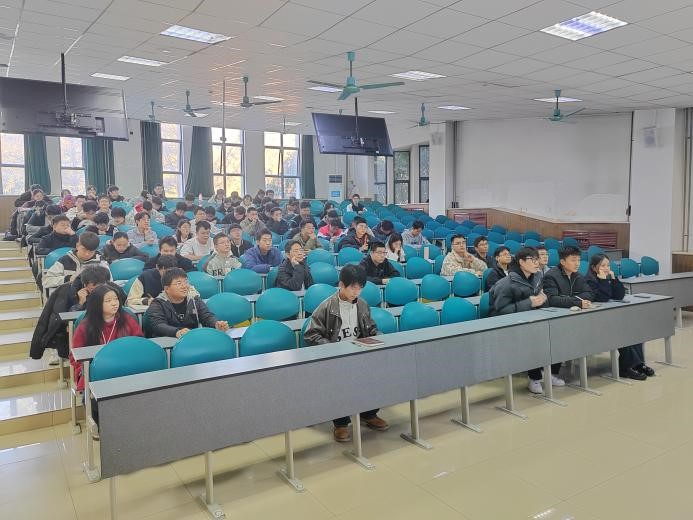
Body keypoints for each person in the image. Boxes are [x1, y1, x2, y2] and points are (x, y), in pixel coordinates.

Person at [304, 264, 387, 442]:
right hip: (336, 356)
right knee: (338, 380)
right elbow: (311, 335)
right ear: (341, 285)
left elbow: (371, 328)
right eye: (353, 288)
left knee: (374, 373)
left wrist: (378, 338)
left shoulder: (362, 305)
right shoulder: (326, 307)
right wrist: (333, 349)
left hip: (359, 352)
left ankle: (368, 413)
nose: (356, 292)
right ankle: (340, 423)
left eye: (360, 288)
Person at [488, 247, 548, 394]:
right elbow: (500, 311)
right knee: (534, 337)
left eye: (537, 259)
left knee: (553, 330)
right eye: (532, 260)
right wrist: (529, 303)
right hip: (506, 324)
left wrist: (543, 298)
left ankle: (550, 372)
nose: (537, 263)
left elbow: (538, 297)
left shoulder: (536, 277)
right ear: (521, 262)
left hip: (528, 319)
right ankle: (535, 378)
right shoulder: (506, 283)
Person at [585, 253, 654, 380]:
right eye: (603, 266)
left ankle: (638, 364)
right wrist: (603, 280)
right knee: (622, 332)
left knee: (634, 330)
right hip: (597, 320)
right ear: (594, 267)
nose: (606, 268)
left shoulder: (607, 277)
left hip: (611, 317)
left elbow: (619, 295)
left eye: (608, 265)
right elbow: (602, 298)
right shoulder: (589, 281)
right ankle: (626, 368)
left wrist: (613, 278)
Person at [538, 245, 594, 391]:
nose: (577, 263)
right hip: (554, 317)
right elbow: (553, 299)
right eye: (573, 260)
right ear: (563, 261)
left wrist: (571, 300)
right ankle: (550, 372)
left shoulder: (577, 275)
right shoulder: (551, 275)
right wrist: (577, 302)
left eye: (579, 260)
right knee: (559, 337)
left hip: (571, 315)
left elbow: (589, 293)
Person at [145, 268, 229, 338]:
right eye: (178, 283)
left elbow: (206, 316)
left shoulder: (194, 299)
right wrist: (176, 332)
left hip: (192, 341)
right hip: (168, 344)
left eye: (186, 282)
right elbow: (158, 325)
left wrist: (216, 324)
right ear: (167, 288)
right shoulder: (158, 303)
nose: (184, 286)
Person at [43, 232, 110, 290]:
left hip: (93, 297)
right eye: (84, 249)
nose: (87, 254)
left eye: (91, 251)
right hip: (68, 297)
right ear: (77, 245)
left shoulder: (101, 262)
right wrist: (68, 279)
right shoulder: (65, 260)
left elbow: (109, 284)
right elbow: (46, 281)